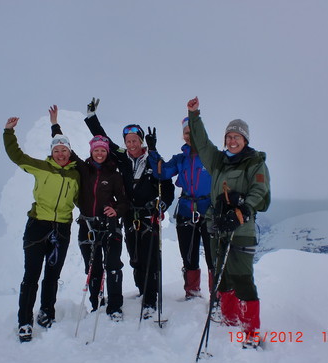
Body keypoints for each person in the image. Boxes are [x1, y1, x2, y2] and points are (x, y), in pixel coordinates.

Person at [186, 97, 271, 349]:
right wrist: (194, 115)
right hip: (218, 225)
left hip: (241, 227)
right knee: (221, 274)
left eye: (237, 137)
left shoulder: (255, 162)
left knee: (242, 276)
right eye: (229, 136)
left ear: (245, 140)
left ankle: (250, 330)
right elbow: (201, 143)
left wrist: (242, 209)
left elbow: (259, 190)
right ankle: (229, 317)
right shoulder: (219, 161)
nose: (232, 141)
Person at [84, 98, 175, 319]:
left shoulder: (154, 159)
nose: (132, 144)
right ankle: (143, 290)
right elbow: (103, 139)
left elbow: (167, 186)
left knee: (150, 258)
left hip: (148, 214)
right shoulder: (122, 158)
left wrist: (163, 204)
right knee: (135, 257)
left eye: (135, 140)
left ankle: (151, 300)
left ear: (141, 140)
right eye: (128, 140)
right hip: (129, 215)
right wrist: (91, 118)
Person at [3, 116, 80, 343]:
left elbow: (83, 199)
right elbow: (16, 156)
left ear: (69, 152)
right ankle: (25, 322)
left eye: (64, 150)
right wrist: (9, 132)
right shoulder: (41, 167)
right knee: (31, 276)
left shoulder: (76, 175)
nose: (60, 154)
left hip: (62, 230)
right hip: (38, 227)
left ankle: (47, 312)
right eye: (57, 150)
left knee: (52, 276)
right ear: (52, 153)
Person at [49, 105, 129, 321]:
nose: (100, 153)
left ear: (107, 152)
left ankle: (114, 307)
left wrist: (116, 210)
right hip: (87, 226)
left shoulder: (115, 174)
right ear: (91, 151)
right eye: (96, 150)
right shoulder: (83, 168)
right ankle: (96, 304)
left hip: (109, 226)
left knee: (113, 266)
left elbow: (124, 202)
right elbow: (63, 147)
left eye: (103, 150)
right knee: (93, 267)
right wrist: (55, 125)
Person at [146, 118, 214, 300]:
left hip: (210, 212)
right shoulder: (181, 159)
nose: (189, 136)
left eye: (193, 132)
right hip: (186, 210)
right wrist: (152, 151)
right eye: (186, 132)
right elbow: (162, 172)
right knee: (189, 256)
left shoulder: (212, 157)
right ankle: (192, 293)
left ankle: (217, 297)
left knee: (213, 257)